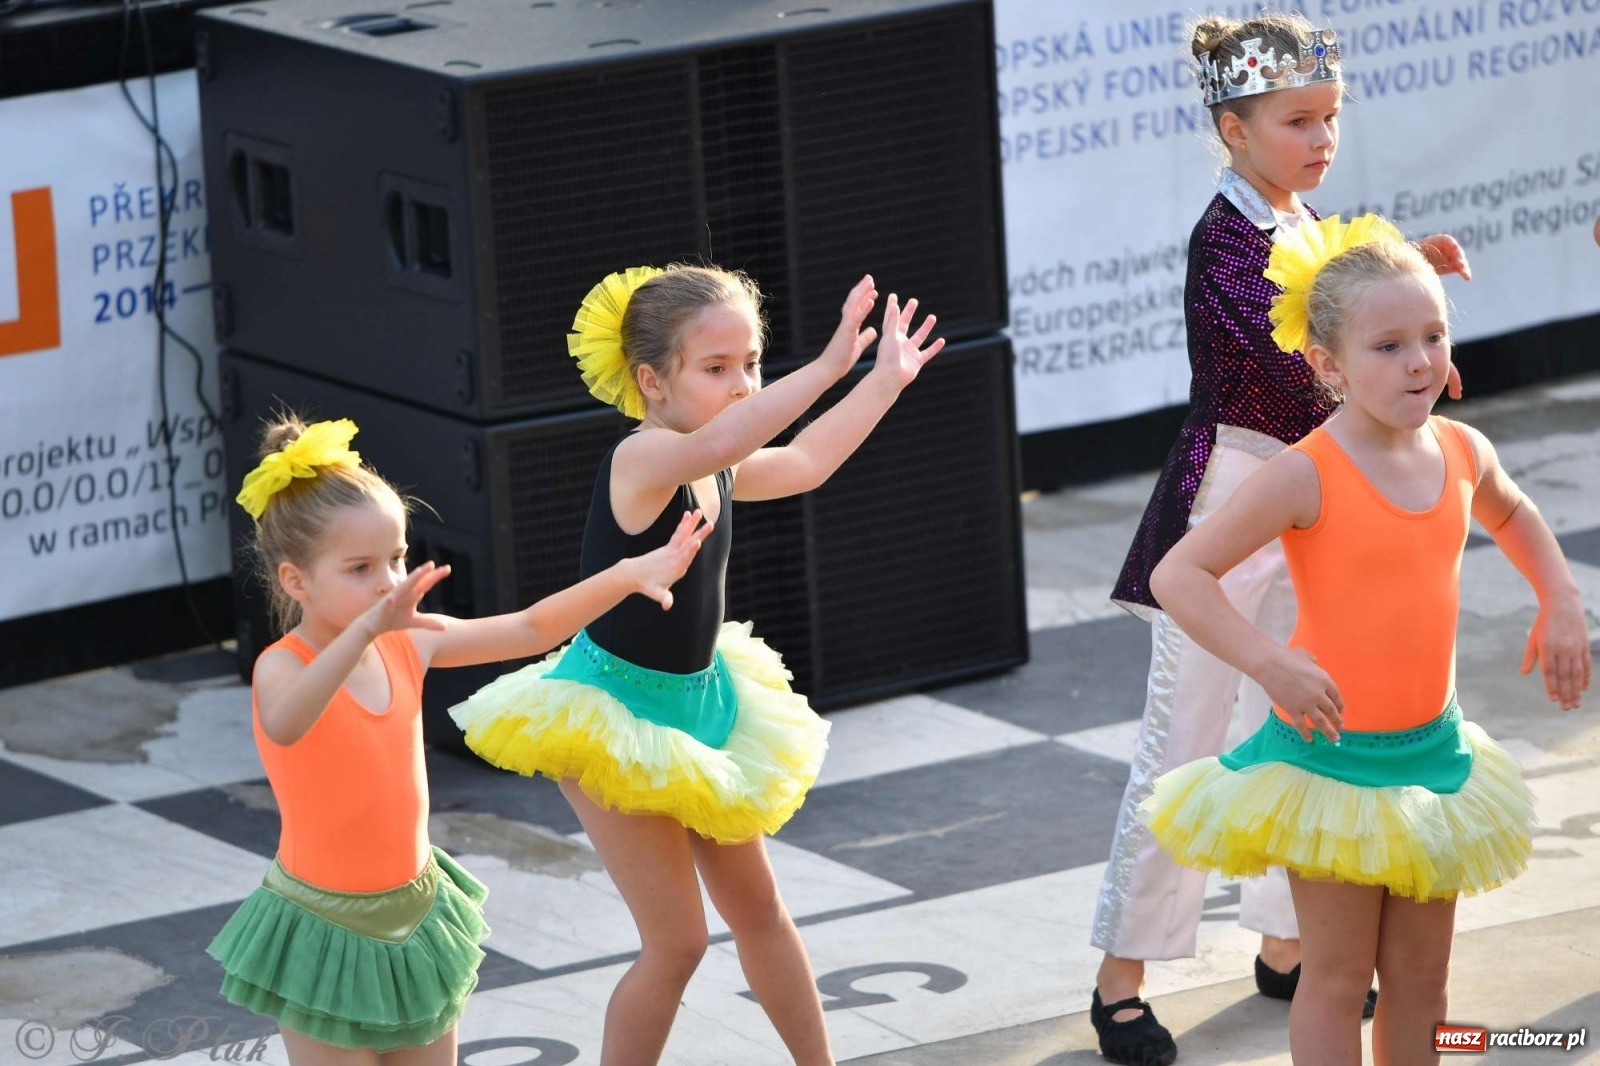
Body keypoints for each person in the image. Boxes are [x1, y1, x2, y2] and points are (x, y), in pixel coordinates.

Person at [1090, 13, 1473, 1061]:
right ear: (1231, 127)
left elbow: (1344, 316)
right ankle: (1120, 973)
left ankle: (1289, 938)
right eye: (1297, 121)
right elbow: (1278, 368)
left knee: (1303, 724)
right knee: (1184, 747)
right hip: (1229, 504)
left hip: (1312, 503)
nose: (1320, 140)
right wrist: (1383, 339)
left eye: (1330, 118)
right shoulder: (1221, 239)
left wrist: (1399, 284)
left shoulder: (1302, 221)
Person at [451, 264, 944, 1065]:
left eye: (752, 363)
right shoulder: (642, 460)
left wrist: (883, 381)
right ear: (651, 381)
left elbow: (806, 462)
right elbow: (726, 439)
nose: (745, 385)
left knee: (762, 914)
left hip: (700, 706)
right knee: (676, 944)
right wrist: (823, 368)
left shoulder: (713, 460)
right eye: (718, 369)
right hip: (611, 717)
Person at [1142, 213, 1590, 1064]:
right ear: (1327, 364)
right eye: (1387, 346)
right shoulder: (1306, 471)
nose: (1420, 360)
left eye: (1434, 335)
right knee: (1341, 977)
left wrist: (1559, 597)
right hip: (1332, 764)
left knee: (1423, 979)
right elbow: (1178, 576)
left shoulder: (1462, 450)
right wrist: (1270, 663)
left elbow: (1515, 513)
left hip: (1435, 757)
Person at [208, 414, 710, 1065]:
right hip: (322, 930)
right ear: (295, 581)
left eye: (395, 559)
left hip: (417, 914)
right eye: (360, 568)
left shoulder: (405, 642)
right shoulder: (285, 664)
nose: (388, 581)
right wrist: (366, 632)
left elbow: (528, 628)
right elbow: (286, 723)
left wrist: (624, 576)